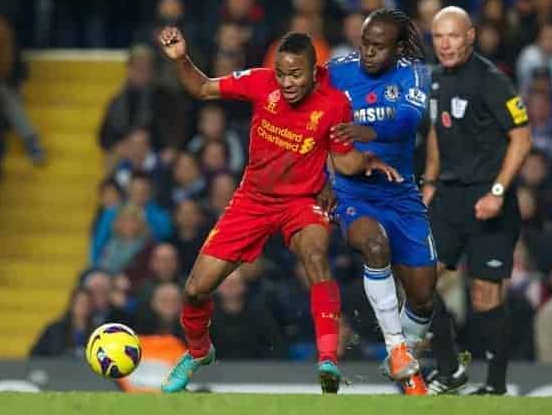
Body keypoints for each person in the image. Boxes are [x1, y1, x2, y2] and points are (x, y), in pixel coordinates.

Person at [157, 26, 401, 393]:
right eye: (282, 73)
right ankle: (198, 351)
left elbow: (344, 163)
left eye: (296, 74)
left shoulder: (334, 104)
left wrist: (366, 162)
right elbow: (202, 87)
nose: (287, 82)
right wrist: (181, 60)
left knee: (316, 255)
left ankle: (328, 359)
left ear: (314, 70)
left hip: (301, 203)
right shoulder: (259, 82)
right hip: (252, 200)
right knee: (194, 291)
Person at [422, 6, 532, 395]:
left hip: (489, 198)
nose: (446, 44)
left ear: (471, 36)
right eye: (438, 37)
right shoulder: (434, 81)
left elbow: (521, 137)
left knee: (485, 295)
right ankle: (449, 368)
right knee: (417, 281)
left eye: (453, 36)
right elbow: (436, 131)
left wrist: (498, 192)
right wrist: (431, 181)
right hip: (449, 197)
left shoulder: (490, 80)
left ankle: (496, 387)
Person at [327, 8, 436, 395]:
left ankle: (400, 356)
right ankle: (399, 353)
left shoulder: (414, 74)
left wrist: (367, 129)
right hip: (353, 190)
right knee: (375, 247)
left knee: (424, 297)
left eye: (378, 47)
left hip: (401, 193)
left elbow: (409, 119)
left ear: (398, 47)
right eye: (364, 44)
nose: (368, 53)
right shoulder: (337, 71)